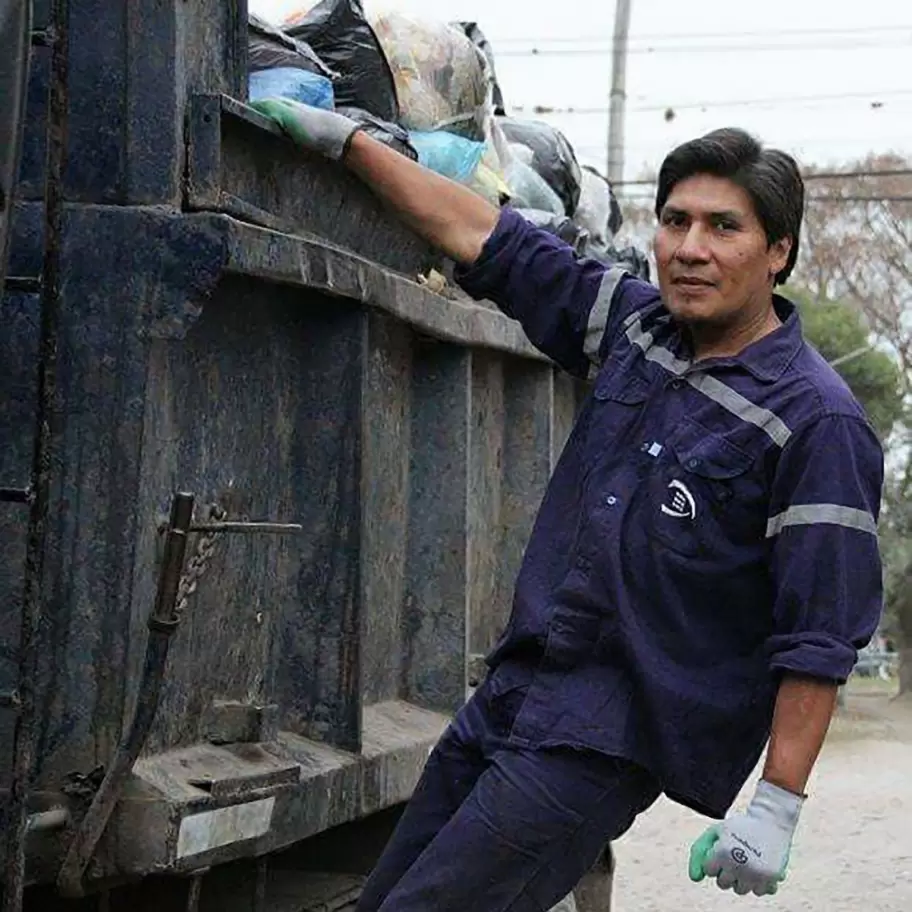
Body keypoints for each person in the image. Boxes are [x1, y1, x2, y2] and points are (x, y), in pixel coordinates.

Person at [251, 99, 884, 909]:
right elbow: (490, 241)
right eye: (675, 221)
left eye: (723, 228)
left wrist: (777, 806)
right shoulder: (635, 331)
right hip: (516, 696)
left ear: (778, 253)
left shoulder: (816, 422)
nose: (690, 249)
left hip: (601, 744)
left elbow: (819, 635)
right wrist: (350, 147)